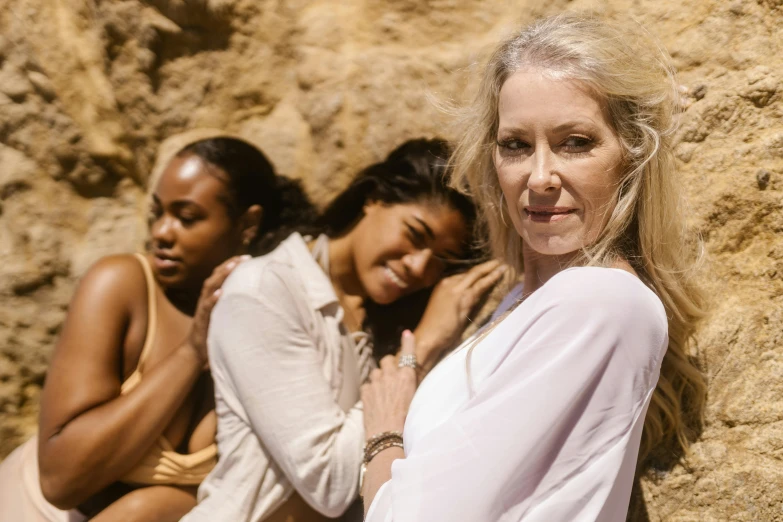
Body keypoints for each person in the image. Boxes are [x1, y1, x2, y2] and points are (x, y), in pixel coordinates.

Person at [360, 14, 706, 521]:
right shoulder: (520, 303)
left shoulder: (603, 304)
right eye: (516, 145)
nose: (540, 177)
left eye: (576, 142)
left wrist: (384, 432)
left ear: (630, 155)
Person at [181, 138, 505, 522]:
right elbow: (328, 482)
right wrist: (422, 347)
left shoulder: (386, 318)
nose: (418, 267)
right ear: (373, 199)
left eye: (441, 261)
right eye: (415, 235)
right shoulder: (263, 290)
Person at [0, 136, 317, 522]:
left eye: (186, 217)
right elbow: (62, 481)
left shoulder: (273, 325)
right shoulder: (120, 286)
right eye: (158, 213)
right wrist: (192, 351)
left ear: (247, 223)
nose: (162, 233)